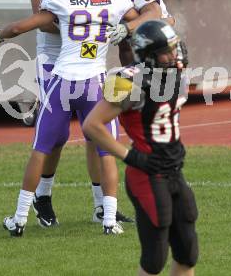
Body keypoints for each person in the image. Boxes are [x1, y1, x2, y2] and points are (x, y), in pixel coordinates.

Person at [0, 0, 145, 236]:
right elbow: (139, 17)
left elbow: (19, 27)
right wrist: (125, 28)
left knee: (40, 149)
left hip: (62, 82)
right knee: (106, 150)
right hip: (95, 84)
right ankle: (109, 219)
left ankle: (20, 218)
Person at [21, 0, 142, 227]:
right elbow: (42, 22)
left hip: (95, 54)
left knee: (97, 131)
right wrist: (84, 17)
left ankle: (103, 206)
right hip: (56, 56)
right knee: (56, 134)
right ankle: (42, 196)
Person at [83, 20, 198, 275]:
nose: (174, 55)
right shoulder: (129, 83)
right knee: (154, 259)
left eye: (174, 48)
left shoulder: (173, 73)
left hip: (173, 170)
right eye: (166, 51)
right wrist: (130, 156)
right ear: (148, 56)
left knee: (188, 253)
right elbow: (92, 125)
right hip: (146, 173)